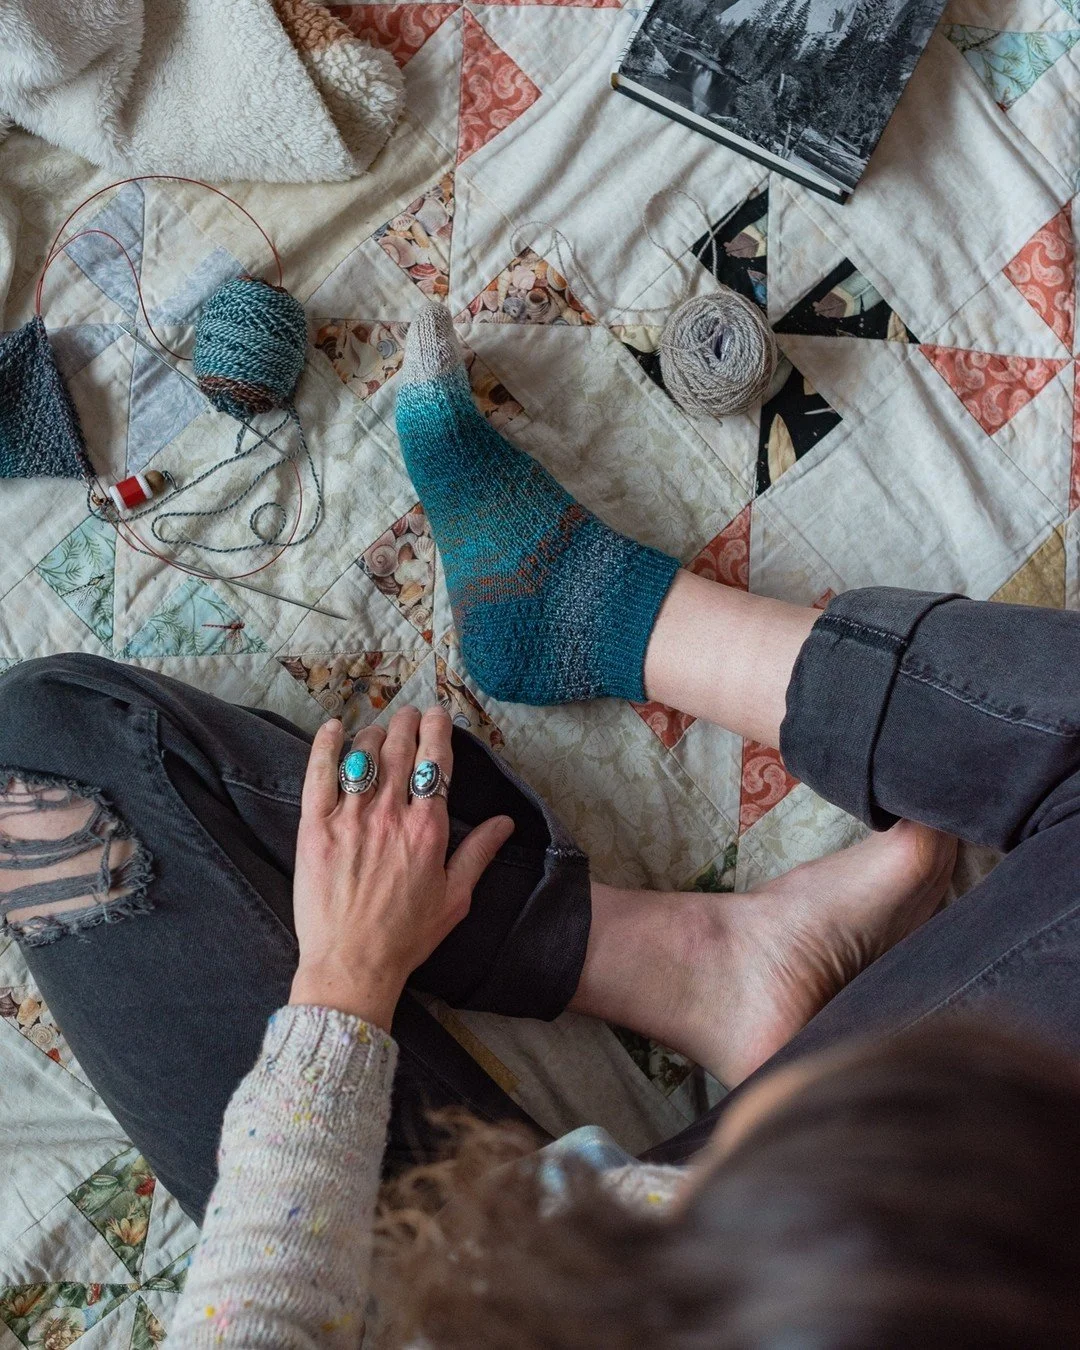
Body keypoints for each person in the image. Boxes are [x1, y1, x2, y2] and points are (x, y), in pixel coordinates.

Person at [3, 301, 1080, 1346]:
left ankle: (591, 657)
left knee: (41, 760)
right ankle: (678, 907)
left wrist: (346, 981)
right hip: (740, 1262)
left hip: (466, 1296)